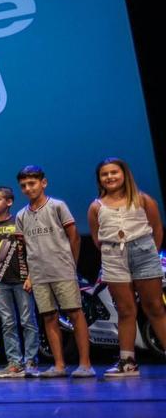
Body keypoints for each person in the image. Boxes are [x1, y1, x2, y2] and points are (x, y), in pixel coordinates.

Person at [87, 157, 165, 377]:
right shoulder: (96, 207)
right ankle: (128, 362)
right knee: (125, 310)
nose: (110, 177)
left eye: (114, 172)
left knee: (154, 307)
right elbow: (96, 238)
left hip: (144, 253)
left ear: (124, 175)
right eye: (105, 174)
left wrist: (148, 253)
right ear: (100, 179)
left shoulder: (142, 200)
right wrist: (114, 254)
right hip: (113, 257)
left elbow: (156, 230)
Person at [16, 165, 95, 378]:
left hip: (62, 270)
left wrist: (71, 264)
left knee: (74, 313)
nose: (28, 188)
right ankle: (59, 365)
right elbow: (24, 248)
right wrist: (31, 274)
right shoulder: (22, 215)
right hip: (40, 274)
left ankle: (85, 364)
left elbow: (74, 237)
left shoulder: (58, 206)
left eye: (32, 183)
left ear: (43, 183)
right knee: (49, 317)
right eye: (23, 185)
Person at [0, 187, 40, 378]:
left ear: (9, 202)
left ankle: (31, 361)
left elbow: (31, 249)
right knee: (7, 323)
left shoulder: (19, 221)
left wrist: (31, 276)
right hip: (0, 282)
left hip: (22, 280)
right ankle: (14, 362)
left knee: (27, 321)